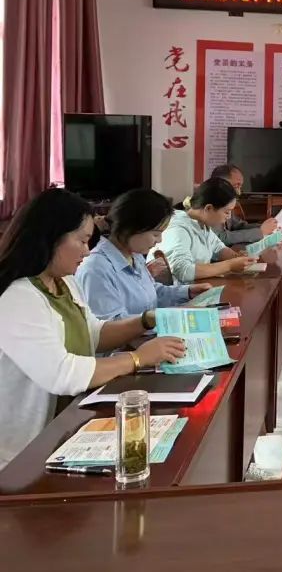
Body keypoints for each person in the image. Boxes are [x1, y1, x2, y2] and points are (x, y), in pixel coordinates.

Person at [0, 189, 186, 469]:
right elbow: (62, 374)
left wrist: (146, 320)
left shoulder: (64, 282)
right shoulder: (18, 296)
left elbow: (94, 334)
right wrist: (138, 358)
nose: (87, 250)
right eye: (82, 240)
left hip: (65, 425)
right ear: (51, 237)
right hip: (22, 452)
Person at [76, 189, 213, 321]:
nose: (159, 240)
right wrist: (167, 317)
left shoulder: (134, 255)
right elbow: (111, 325)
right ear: (131, 228)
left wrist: (188, 292)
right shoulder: (96, 268)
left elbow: (150, 293)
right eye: (156, 234)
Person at [159, 178, 257, 283]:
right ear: (208, 208)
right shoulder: (178, 229)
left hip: (196, 287)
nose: (228, 217)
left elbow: (218, 248)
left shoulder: (201, 224)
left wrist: (237, 257)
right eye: (227, 212)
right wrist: (230, 265)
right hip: (178, 291)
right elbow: (183, 270)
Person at [208, 164, 277, 247]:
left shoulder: (225, 200)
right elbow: (220, 238)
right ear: (221, 183)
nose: (239, 192)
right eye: (236, 186)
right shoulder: (209, 203)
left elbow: (239, 225)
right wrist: (260, 232)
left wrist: (266, 227)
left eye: (240, 187)